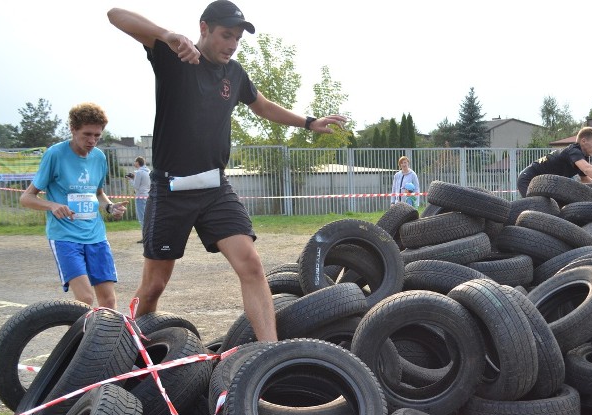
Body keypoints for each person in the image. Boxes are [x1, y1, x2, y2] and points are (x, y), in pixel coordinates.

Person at [107, 1, 347, 342]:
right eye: (226, 35)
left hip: (215, 188)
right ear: (204, 28)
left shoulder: (234, 74)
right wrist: (166, 35)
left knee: (250, 264)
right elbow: (115, 15)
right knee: (154, 285)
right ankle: (128, 347)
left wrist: (308, 122)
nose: (232, 44)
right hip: (170, 190)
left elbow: (262, 105)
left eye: (237, 38)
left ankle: (270, 354)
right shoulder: (174, 55)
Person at [19, 103, 127, 308]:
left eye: (97, 135)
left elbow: (98, 193)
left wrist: (110, 207)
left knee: (108, 300)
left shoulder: (99, 157)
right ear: (73, 129)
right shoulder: (55, 154)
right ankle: (79, 341)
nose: (92, 141)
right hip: (65, 237)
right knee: (85, 300)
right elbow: (26, 197)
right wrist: (52, 206)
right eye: (87, 134)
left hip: (96, 236)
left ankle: (104, 340)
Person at [516, 127, 592, 200]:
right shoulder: (574, 150)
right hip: (528, 179)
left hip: (544, 183)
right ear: (583, 141)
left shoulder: (580, 157)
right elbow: (587, 169)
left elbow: (585, 178)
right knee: (536, 206)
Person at [129, 156, 150, 243]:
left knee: (142, 218)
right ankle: (148, 236)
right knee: (148, 217)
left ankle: (145, 237)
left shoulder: (139, 172)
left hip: (140, 196)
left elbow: (136, 186)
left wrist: (130, 179)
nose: (134, 163)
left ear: (138, 163)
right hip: (147, 195)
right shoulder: (148, 171)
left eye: (135, 161)